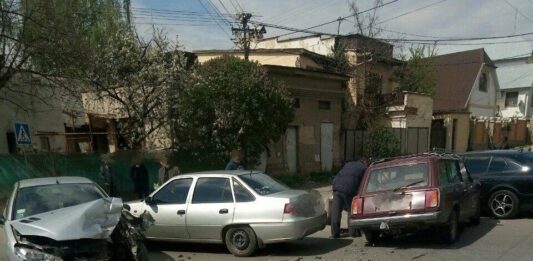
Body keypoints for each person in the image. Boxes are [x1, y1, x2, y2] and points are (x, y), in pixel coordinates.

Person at [330, 157, 369, 239]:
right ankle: (353, 232)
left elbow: (340, 175)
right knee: (351, 212)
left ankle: (335, 234)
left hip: (337, 188)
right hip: (350, 190)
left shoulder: (348, 164)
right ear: (364, 162)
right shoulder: (364, 168)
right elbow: (363, 183)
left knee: (336, 212)